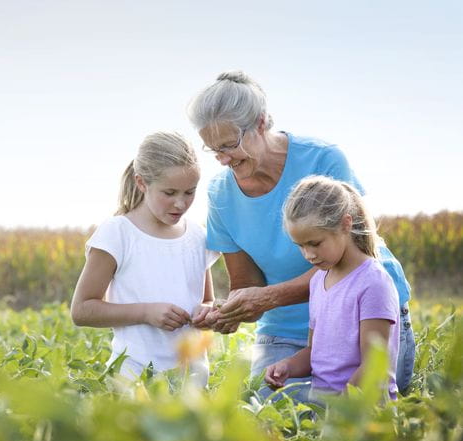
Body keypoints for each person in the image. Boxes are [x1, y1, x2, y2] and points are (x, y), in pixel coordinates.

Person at [186, 70, 415, 397]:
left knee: (356, 399)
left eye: (229, 145)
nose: (222, 159)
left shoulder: (323, 159)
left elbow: (354, 260)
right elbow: (247, 285)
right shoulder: (221, 195)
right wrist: (231, 311)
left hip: (362, 317)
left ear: (261, 123)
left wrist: (269, 297)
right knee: (271, 405)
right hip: (287, 330)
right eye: (213, 150)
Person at [70, 131, 221, 381]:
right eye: (169, 193)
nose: (181, 204)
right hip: (134, 379)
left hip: (191, 380)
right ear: (142, 183)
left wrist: (206, 313)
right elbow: (82, 310)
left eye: (189, 192)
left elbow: (206, 300)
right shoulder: (117, 233)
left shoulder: (197, 236)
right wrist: (146, 313)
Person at [264, 176, 400, 400]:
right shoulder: (318, 281)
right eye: (301, 246)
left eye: (315, 243)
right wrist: (288, 366)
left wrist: (340, 413)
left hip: (363, 414)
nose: (308, 255)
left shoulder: (373, 283)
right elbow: (315, 353)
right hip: (326, 411)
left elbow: (374, 367)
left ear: (346, 224)